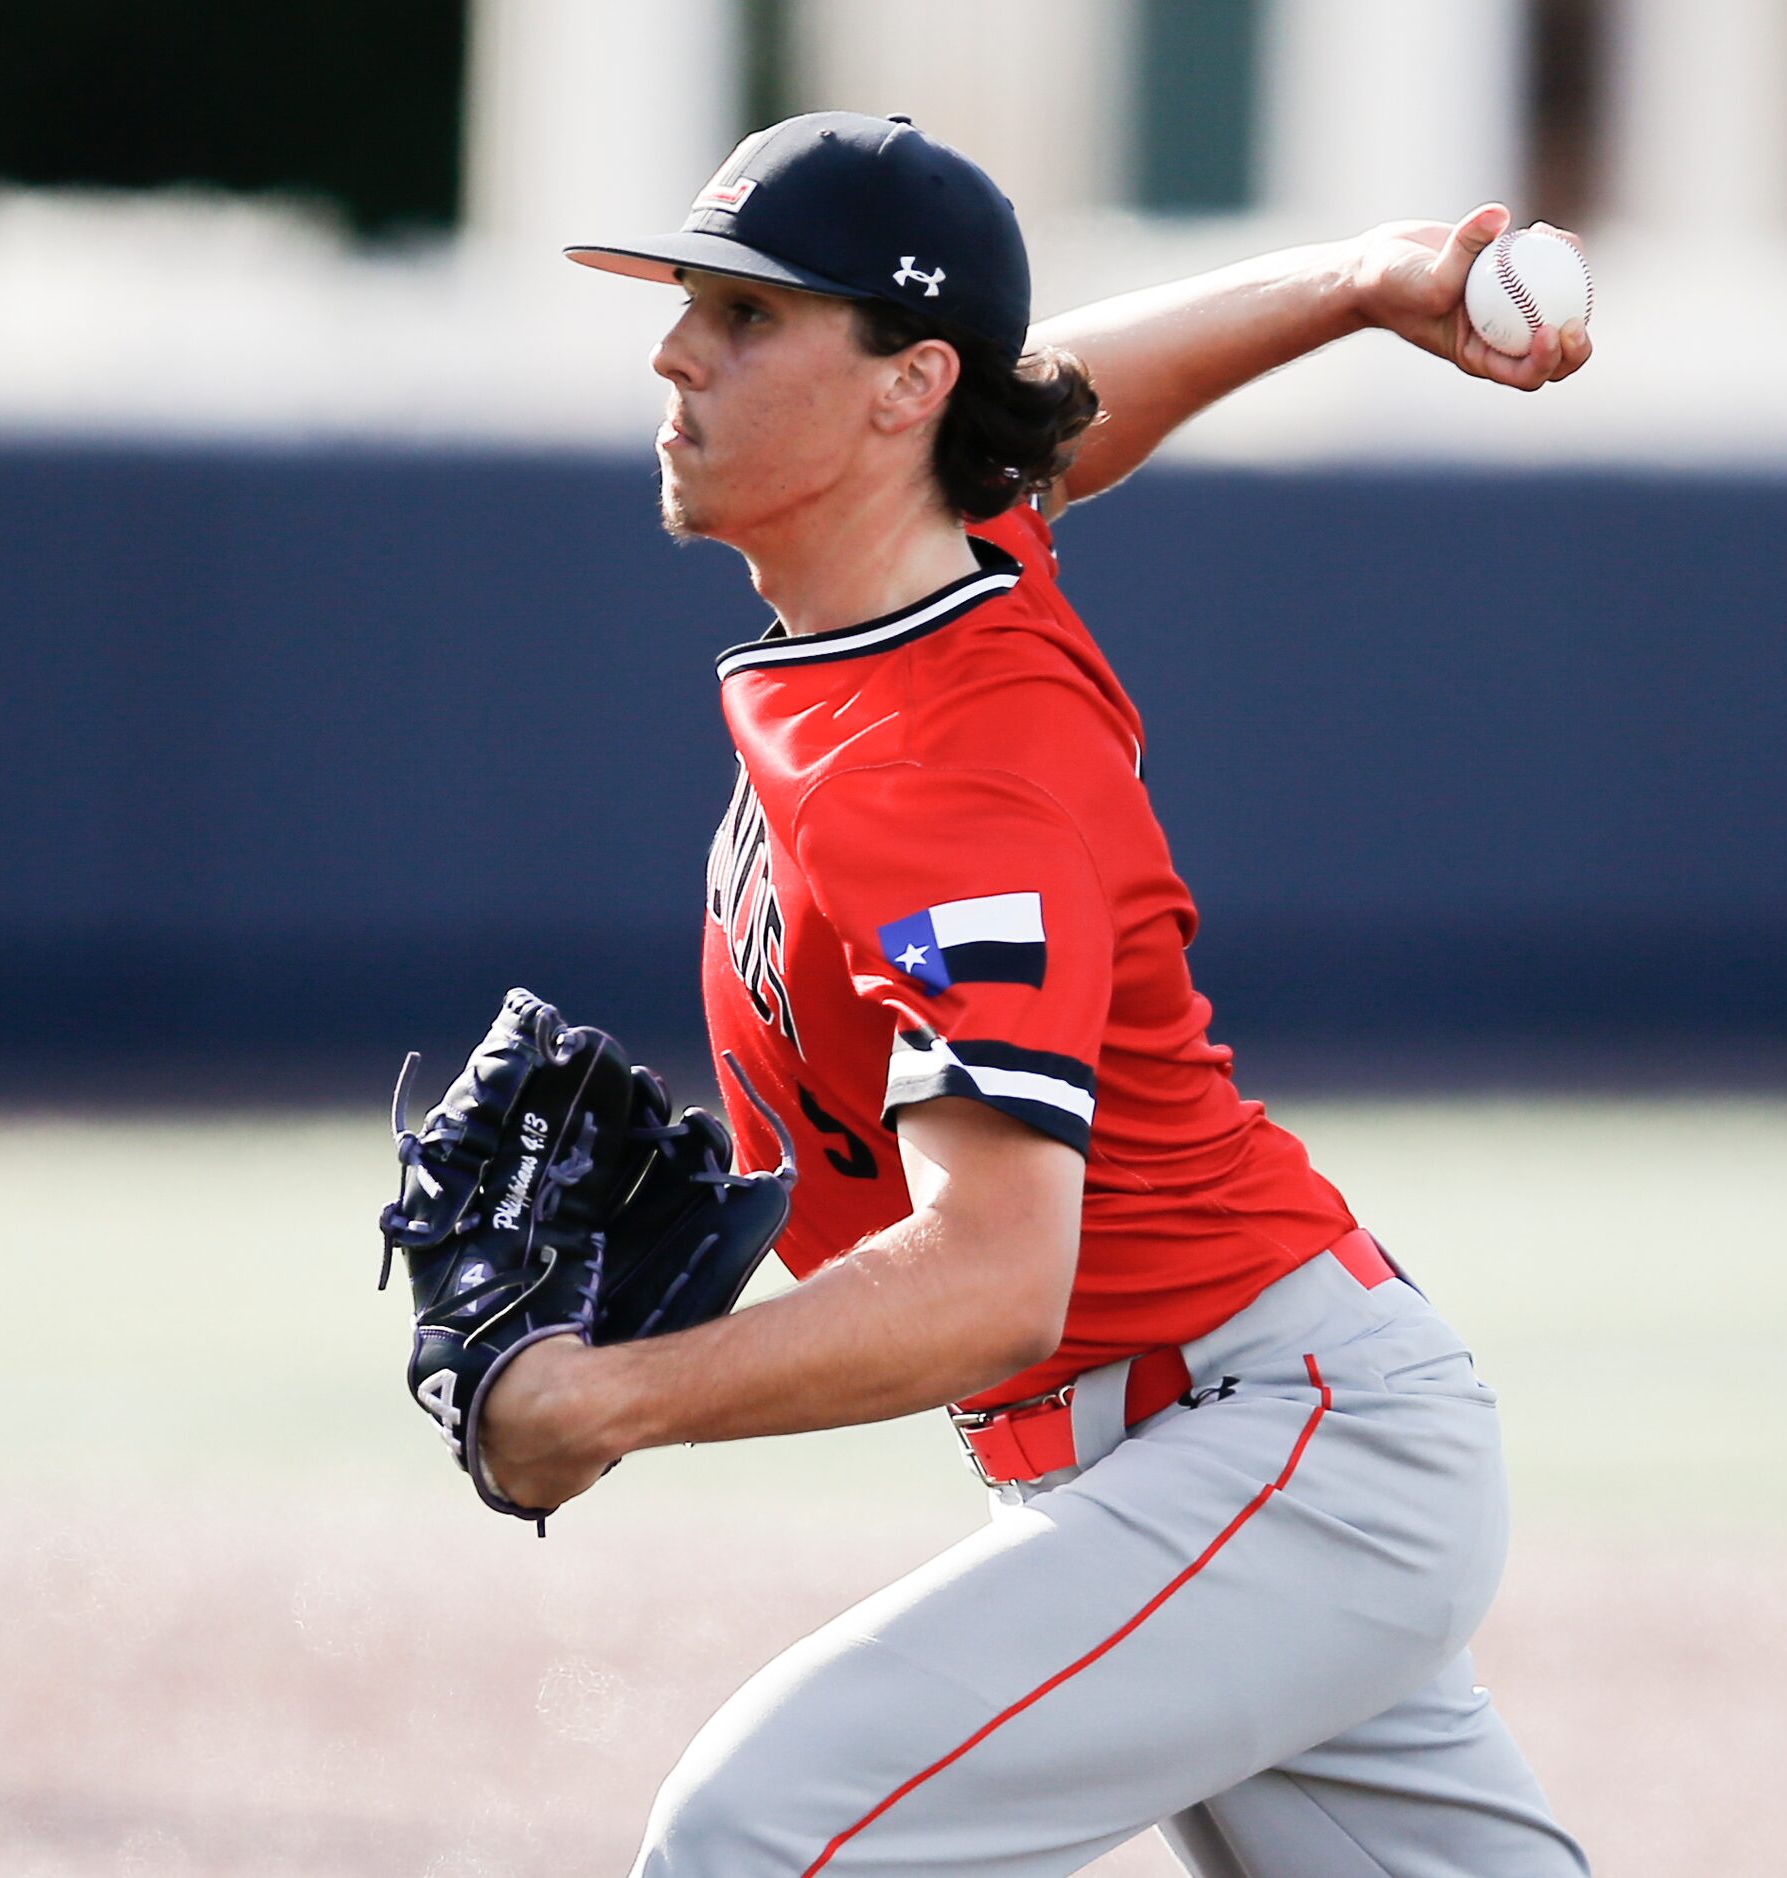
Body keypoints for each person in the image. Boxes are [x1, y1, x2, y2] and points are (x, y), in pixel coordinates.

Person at [482, 112, 1594, 1876]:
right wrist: (1358, 281)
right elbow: (1053, 399)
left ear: (902, 384)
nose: (673, 350)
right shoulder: (946, 557)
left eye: (748, 316)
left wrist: (615, 1398)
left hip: (1277, 1445)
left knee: (763, 1836)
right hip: (1226, 1448)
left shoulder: (953, 768)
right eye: (692, 301)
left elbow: (998, 1276)